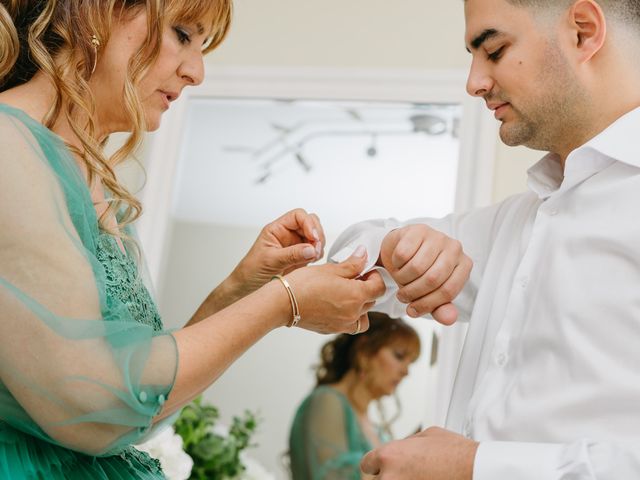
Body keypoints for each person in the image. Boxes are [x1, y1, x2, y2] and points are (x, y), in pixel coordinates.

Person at [0, 1, 385, 478]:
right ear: (98, 12)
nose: (197, 71)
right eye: (183, 34)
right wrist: (282, 304)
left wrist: (241, 288)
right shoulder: (6, 146)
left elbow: (142, 407)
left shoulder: (99, 183)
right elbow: (95, 407)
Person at [328, 0, 640, 478]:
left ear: (582, 31)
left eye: (493, 50)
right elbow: (350, 257)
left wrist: (472, 465)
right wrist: (399, 247)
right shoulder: (520, 221)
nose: (474, 82)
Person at [288, 312, 421, 480]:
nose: (406, 371)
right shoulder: (327, 400)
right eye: (399, 356)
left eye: (411, 362)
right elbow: (333, 476)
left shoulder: (376, 429)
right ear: (364, 351)